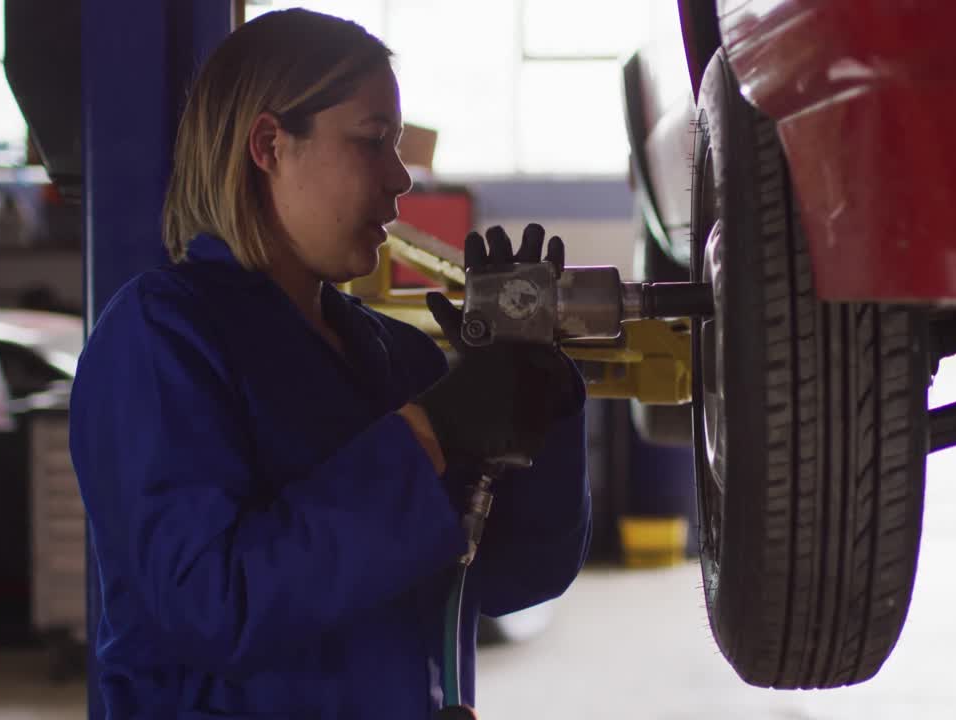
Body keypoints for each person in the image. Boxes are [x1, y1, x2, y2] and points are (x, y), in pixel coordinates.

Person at [67, 9, 590, 718]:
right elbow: (215, 605)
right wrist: (431, 433)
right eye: (373, 142)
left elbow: (510, 581)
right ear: (269, 144)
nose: (401, 178)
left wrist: (534, 408)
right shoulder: (162, 339)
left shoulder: (396, 357)